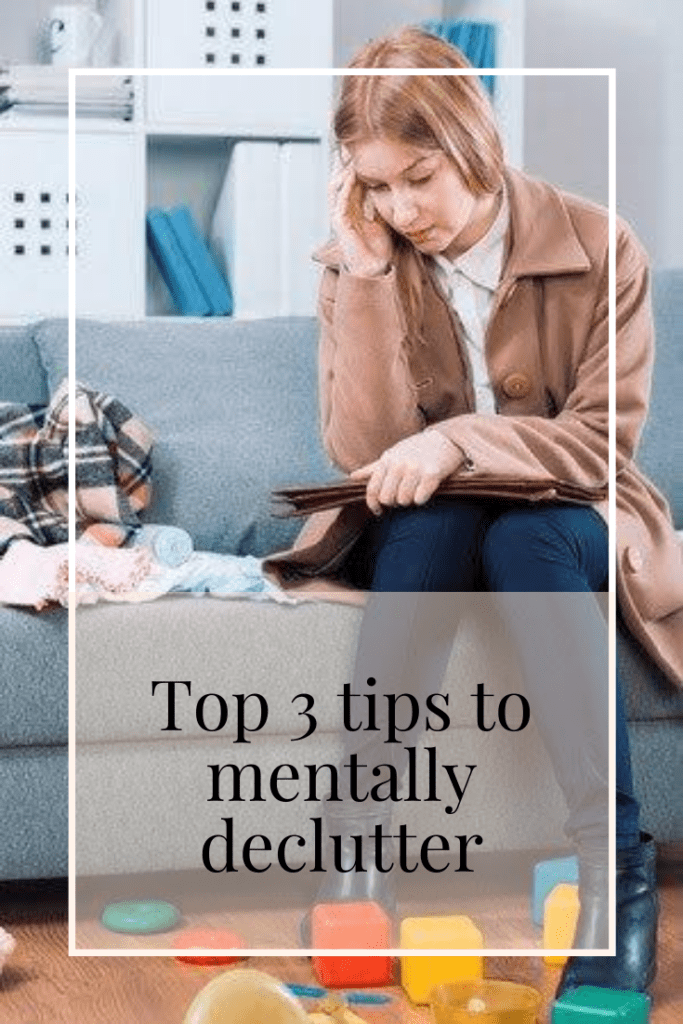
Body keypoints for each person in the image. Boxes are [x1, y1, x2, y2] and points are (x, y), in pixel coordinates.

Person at [267, 27, 683, 997]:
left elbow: (596, 445)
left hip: (572, 513)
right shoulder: (367, 254)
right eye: (376, 185)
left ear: (473, 140)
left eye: (418, 177)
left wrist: (456, 442)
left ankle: (611, 873)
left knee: (526, 532)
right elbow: (361, 449)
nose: (402, 210)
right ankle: (356, 856)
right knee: (433, 524)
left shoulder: (596, 246)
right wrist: (365, 279)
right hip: (428, 521)